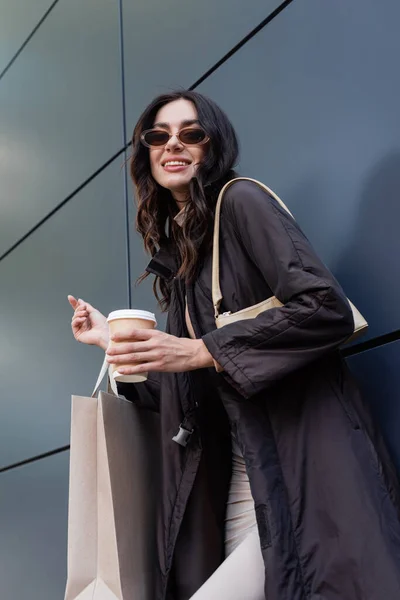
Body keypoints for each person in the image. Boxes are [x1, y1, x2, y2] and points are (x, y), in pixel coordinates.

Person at [68, 90, 400, 600]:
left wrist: (203, 350)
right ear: (145, 154)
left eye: (190, 133)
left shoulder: (241, 201)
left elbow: (325, 307)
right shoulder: (184, 255)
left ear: (212, 145)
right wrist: (114, 346)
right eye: (158, 135)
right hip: (245, 479)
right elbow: (189, 395)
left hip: (300, 466)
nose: (172, 144)